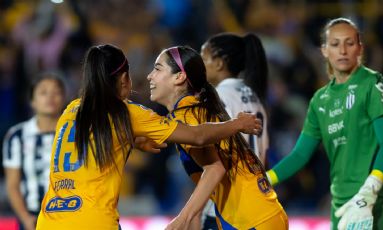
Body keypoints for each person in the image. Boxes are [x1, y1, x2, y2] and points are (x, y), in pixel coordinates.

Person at [35, 44, 261, 230]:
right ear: (124, 79)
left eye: (157, 69)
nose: (149, 76)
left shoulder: (71, 110)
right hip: (93, 220)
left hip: (48, 221)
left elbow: (87, 145)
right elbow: (198, 136)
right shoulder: (127, 112)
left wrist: (131, 140)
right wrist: (237, 123)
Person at [266, 17, 383, 230]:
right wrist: (266, 179)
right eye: (335, 44)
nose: (343, 51)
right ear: (325, 50)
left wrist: (370, 189)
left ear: (360, 48)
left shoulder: (373, 85)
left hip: (374, 201)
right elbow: (300, 154)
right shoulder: (320, 100)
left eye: (350, 43)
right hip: (341, 204)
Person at [147, 45, 287, 230]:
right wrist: (195, 214)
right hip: (262, 213)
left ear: (179, 77)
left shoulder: (185, 115)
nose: (150, 76)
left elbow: (215, 167)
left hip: (248, 219)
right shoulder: (197, 108)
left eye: (157, 69)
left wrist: (183, 218)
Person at [199, 32, 270, 229]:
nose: (200, 65)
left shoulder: (218, 97)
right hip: (258, 202)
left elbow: (217, 158)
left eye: (204, 58)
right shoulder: (255, 97)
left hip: (229, 206)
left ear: (220, 63)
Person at [3, 73, 66, 230]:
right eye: (43, 92)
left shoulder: (74, 134)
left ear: (64, 99)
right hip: (32, 217)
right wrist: (26, 218)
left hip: (68, 214)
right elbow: (12, 185)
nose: (50, 97)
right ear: (32, 101)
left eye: (56, 92)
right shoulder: (17, 136)